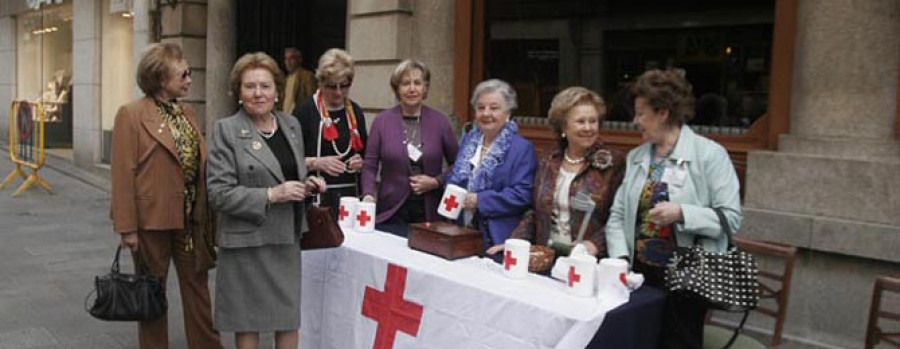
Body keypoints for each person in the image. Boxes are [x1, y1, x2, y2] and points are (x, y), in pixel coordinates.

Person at [605, 69, 742, 348]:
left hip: (688, 276)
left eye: (641, 114)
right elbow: (618, 216)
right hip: (640, 276)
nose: (635, 121)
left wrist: (682, 213)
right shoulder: (637, 157)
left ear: (663, 113)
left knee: (679, 343)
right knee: (638, 340)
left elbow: (731, 218)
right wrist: (620, 259)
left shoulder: (710, 155)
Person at [207, 52, 326, 349]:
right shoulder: (226, 130)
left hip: (286, 240)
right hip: (246, 242)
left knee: (287, 319)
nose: (258, 93)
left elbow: (290, 173)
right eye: (250, 86)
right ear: (239, 91)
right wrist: (272, 194)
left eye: (265, 86)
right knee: (248, 322)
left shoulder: (292, 126)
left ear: (277, 91)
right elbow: (219, 193)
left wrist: (307, 185)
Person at [110, 43, 222, 349]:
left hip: (190, 220)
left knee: (198, 290)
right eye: (183, 73)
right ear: (161, 78)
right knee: (152, 294)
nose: (189, 79)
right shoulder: (131, 114)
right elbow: (122, 173)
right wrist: (127, 228)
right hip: (150, 221)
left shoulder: (186, 112)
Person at [497, 87, 626, 258]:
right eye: (581, 121)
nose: (588, 128)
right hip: (545, 257)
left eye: (593, 121)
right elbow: (534, 213)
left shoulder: (613, 162)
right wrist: (515, 243)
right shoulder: (548, 159)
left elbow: (620, 217)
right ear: (563, 127)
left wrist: (595, 244)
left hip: (587, 261)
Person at [360, 59, 459, 236]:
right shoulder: (382, 121)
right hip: (391, 211)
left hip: (430, 212)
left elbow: (459, 166)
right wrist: (368, 194)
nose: (412, 89)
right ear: (397, 89)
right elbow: (369, 165)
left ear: (425, 88)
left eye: (417, 83)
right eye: (406, 83)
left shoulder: (440, 122)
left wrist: (436, 181)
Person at [445, 79, 537, 259]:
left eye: (494, 108)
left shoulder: (522, 148)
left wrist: (480, 200)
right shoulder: (468, 141)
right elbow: (454, 176)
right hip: (460, 231)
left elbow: (522, 195)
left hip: (496, 238)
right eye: (481, 108)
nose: (486, 113)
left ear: (508, 112)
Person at [293, 48, 367, 214]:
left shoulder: (355, 111)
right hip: (314, 199)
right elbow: (289, 159)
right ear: (320, 83)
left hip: (350, 199)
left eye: (344, 86)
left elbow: (367, 155)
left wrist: (359, 161)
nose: (339, 92)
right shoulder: (305, 111)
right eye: (332, 86)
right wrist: (316, 162)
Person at [281, 47, 316, 114]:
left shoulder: (306, 76)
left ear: (299, 59)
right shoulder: (286, 79)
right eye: (286, 58)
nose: (288, 62)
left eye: (291, 58)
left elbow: (312, 99)